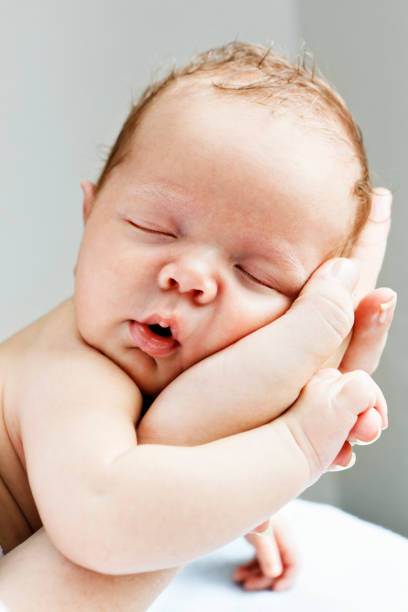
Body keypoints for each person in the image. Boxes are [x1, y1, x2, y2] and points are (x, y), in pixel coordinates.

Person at [0, 41, 395, 610]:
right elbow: (108, 521)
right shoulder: (73, 372)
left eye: (255, 274)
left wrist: (231, 508)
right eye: (154, 227)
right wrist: (295, 447)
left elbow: (159, 458)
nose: (189, 276)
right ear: (89, 219)